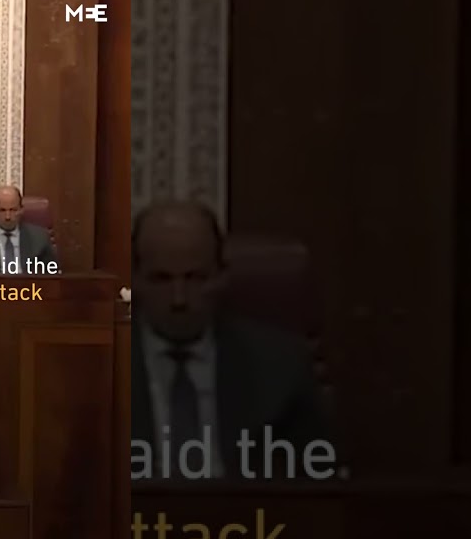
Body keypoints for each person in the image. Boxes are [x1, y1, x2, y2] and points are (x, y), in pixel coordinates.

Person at [130, 199, 331, 479]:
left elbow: (318, 480)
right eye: (161, 279)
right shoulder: (92, 369)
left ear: (222, 277)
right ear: (134, 279)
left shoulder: (282, 366)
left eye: (197, 278)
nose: (179, 299)